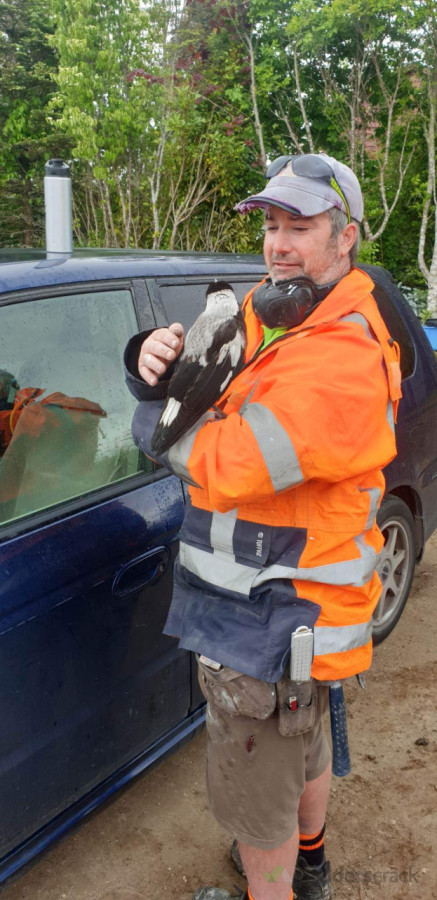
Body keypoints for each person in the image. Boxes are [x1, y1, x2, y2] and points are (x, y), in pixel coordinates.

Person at [124, 153, 401, 900]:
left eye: (300, 226)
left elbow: (225, 458)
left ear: (345, 238)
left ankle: (270, 886)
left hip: (270, 618)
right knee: (300, 752)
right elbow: (210, 382)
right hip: (290, 613)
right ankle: (308, 868)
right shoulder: (282, 307)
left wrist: (151, 414)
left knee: (255, 806)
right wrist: (149, 362)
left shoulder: (339, 353)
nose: (277, 242)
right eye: (271, 225)